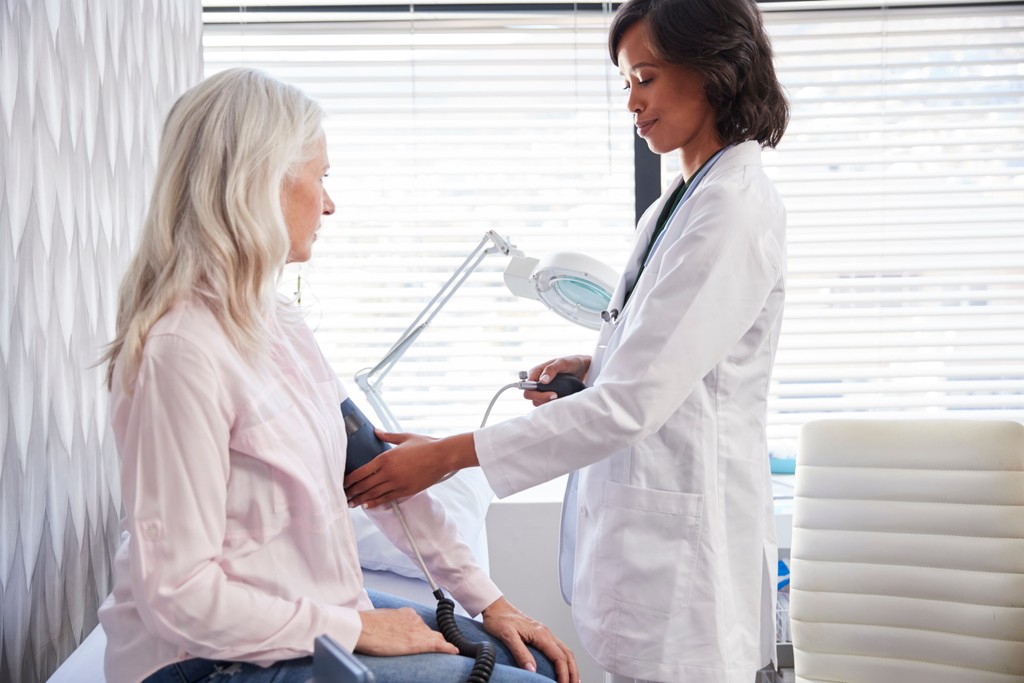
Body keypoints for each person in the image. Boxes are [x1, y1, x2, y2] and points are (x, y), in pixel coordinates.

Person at [343, 0, 790, 681]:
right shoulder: (679, 202)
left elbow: (633, 404)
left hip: (686, 560)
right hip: (646, 542)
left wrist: (447, 457)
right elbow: (672, 358)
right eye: (625, 84)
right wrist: (597, 362)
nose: (632, 103)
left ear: (712, 71)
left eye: (646, 77)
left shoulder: (731, 207)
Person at [98, 67, 579, 683]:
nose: (329, 202)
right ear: (262, 182)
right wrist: (358, 628)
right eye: (320, 177)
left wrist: (490, 602)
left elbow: (374, 474)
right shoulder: (180, 351)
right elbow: (178, 596)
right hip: (206, 661)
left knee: (532, 659)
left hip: (311, 614)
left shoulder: (279, 326)